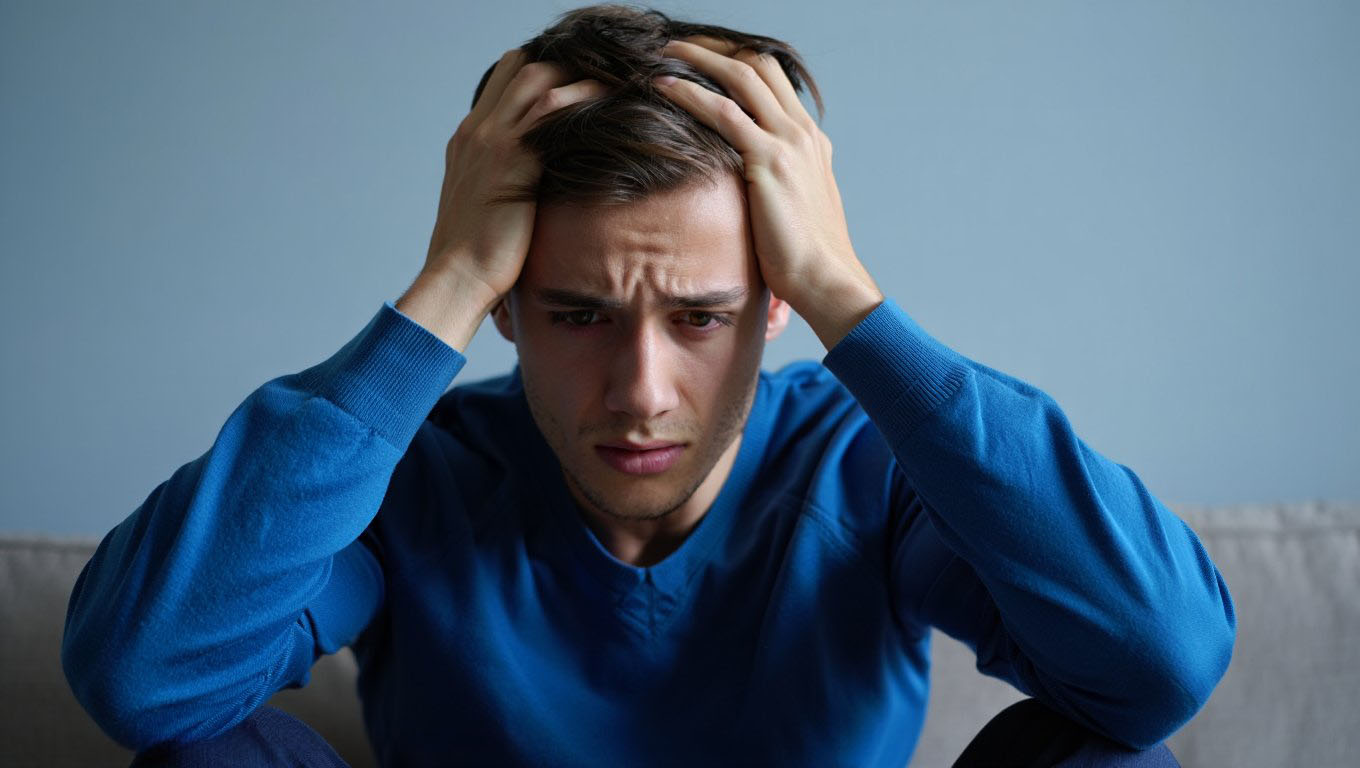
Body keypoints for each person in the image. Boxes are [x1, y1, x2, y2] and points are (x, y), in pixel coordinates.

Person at [62, 4, 1234, 766]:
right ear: (505, 305)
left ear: (775, 303)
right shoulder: (414, 476)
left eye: (700, 318)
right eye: (578, 314)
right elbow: (144, 680)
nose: (640, 391)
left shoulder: (868, 467)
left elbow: (1159, 663)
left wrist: (847, 295)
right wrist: (445, 281)